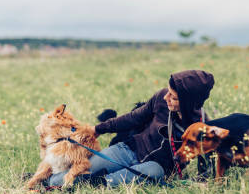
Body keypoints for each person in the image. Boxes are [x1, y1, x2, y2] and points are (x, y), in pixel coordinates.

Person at [47, 70, 215, 187]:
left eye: (174, 97)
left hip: (156, 167)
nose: (166, 97)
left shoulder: (202, 126)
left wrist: (203, 181)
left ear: (188, 102)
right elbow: (133, 118)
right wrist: (98, 129)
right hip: (127, 149)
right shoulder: (161, 99)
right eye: (168, 92)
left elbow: (208, 161)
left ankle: (97, 183)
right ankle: (46, 179)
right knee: (66, 177)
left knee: (154, 172)